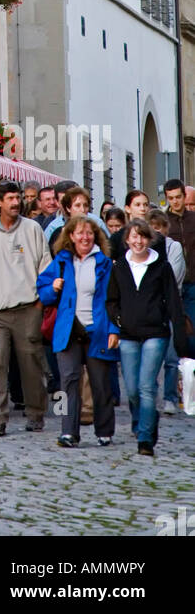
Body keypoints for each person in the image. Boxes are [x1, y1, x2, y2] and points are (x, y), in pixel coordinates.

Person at [0, 181, 51, 437]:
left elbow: (45, 268)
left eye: (17, 198)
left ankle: (36, 413)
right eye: (10, 199)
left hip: (28, 309)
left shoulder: (33, 229)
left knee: (31, 363)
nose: (16, 203)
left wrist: (39, 304)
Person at [106, 219, 187, 455]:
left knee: (146, 386)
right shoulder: (120, 266)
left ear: (148, 239)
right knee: (132, 389)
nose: (138, 241)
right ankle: (144, 422)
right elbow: (111, 300)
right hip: (129, 333)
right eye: (134, 237)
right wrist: (119, 319)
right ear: (127, 240)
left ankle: (145, 438)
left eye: (142, 236)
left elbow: (173, 302)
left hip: (155, 332)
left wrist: (180, 338)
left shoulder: (161, 267)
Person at [37, 217, 116, 448]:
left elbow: (113, 301)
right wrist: (52, 288)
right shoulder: (61, 262)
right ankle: (67, 431)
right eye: (80, 233)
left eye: (89, 233)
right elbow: (42, 292)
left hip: (96, 330)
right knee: (67, 382)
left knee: (100, 384)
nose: (85, 238)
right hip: (68, 330)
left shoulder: (105, 264)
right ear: (71, 236)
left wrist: (113, 330)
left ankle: (104, 431)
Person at [148, 209, 186, 413]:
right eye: (152, 228)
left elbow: (175, 275)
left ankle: (170, 397)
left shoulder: (174, 247)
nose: (157, 232)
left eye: (160, 227)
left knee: (171, 358)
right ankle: (150, 397)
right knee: (151, 359)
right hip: (150, 310)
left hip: (169, 308)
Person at [162, 179, 195, 358]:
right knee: (175, 331)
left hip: (193, 282)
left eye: (178, 197)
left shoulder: (193, 219)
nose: (175, 201)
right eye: (171, 198)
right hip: (172, 283)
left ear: (184, 196)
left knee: (192, 329)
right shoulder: (164, 221)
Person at [44, 187, 109, 245]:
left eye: (85, 205)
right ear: (68, 208)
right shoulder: (58, 232)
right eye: (77, 205)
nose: (82, 210)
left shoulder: (98, 232)